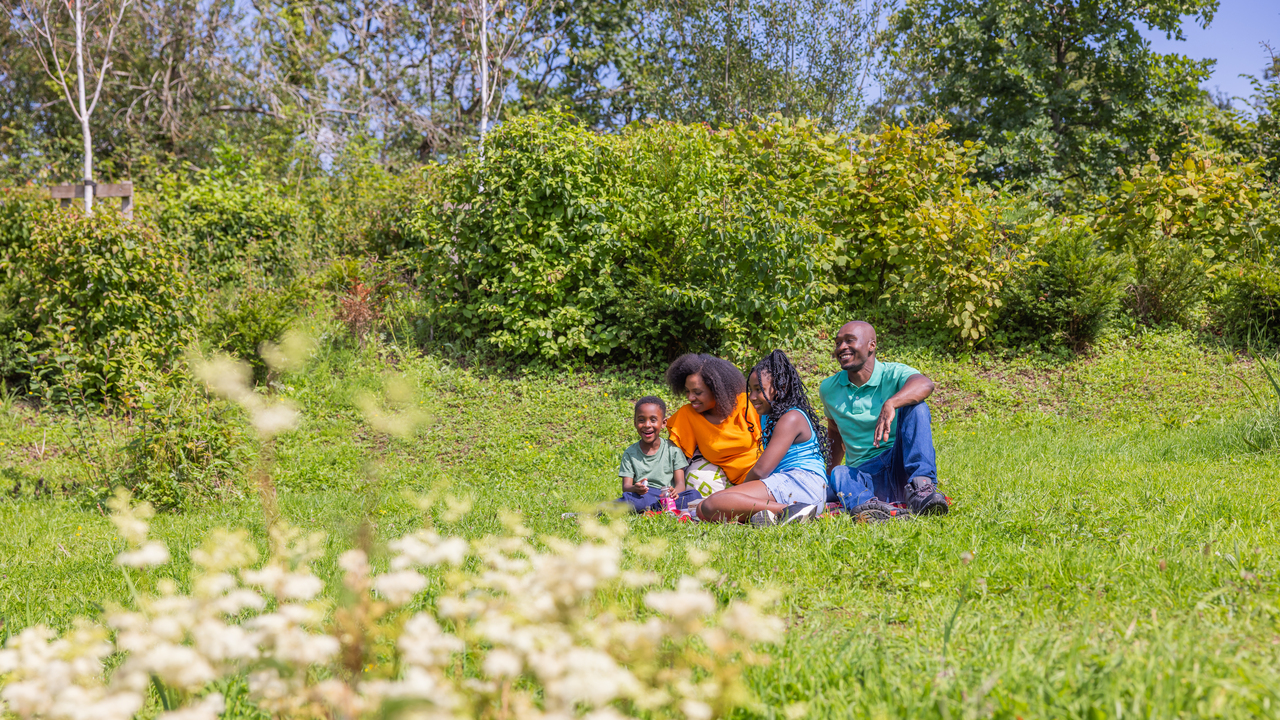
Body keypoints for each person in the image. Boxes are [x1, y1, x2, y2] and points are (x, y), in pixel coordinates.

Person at [819, 321, 949, 520]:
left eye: (849, 341)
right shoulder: (829, 388)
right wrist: (826, 478)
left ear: (872, 345)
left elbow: (925, 384)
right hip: (863, 475)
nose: (841, 347)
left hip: (900, 465)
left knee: (917, 406)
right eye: (838, 343)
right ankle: (871, 508)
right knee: (840, 473)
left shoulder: (894, 373)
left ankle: (922, 488)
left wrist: (892, 403)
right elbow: (835, 433)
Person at [696, 350, 830, 525]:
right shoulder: (769, 415)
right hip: (788, 485)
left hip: (802, 484)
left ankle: (792, 510)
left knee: (713, 503)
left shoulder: (791, 418)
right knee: (702, 509)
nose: (752, 397)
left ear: (781, 388)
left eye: (759, 390)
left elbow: (761, 470)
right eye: (751, 390)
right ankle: (777, 514)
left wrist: (737, 492)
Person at [665, 354, 762, 495]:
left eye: (697, 392)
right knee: (696, 479)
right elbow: (673, 456)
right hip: (726, 481)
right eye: (687, 391)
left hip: (763, 474)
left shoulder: (747, 404)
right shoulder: (688, 414)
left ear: (717, 390)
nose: (690, 398)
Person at [616, 396, 703, 513]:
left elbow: (681, 484)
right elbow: (626, 487)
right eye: (642, 420)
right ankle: (658, 508)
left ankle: (656, 508)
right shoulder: (630, 453)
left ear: (663, 423)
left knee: (693, 495)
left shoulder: (673, 450)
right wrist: (635, 488)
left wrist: (675, 492)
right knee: (636, 500)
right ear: (635, 423)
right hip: (644, 495)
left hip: (667, 497)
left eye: (653, 420)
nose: (647, 425)